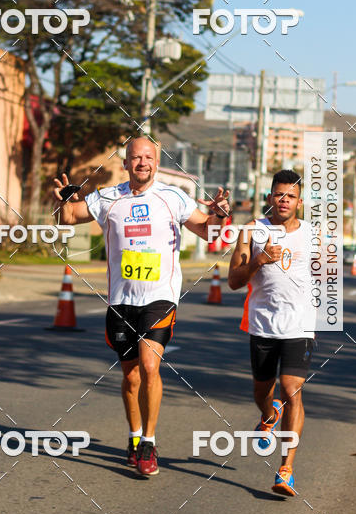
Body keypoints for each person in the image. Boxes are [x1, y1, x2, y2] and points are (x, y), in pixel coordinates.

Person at [53, 137, 230, 477]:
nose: (142, 163)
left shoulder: (173, 197)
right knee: (131, 377)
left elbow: (208, 232)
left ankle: (148, 443)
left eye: (148, 157)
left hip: (159, 298)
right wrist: (62, 199)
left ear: (157, 162)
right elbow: (69, 217)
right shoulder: (108, 198)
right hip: (121, 301)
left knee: (150, 367)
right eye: (136, 158)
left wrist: (219, 214)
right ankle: (134, 438)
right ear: (126, 163)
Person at [227, 169, 315, 497]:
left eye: (290, 196)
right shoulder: (252, 231)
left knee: (291, 389)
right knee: (262, 392)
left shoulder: (312, 234)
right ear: (269, 198)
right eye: (278, 195)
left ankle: (286, 469)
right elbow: (234, 281)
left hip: (299, 326)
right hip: (262, 325)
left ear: (299, 202)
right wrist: (259, 261)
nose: (283, 201)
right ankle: (268, 415)